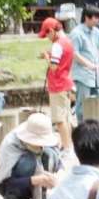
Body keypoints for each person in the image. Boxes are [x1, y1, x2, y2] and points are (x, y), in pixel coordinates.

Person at [0, 113, 61, 199]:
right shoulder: (10, 144)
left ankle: (42, 198)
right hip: (10, 186)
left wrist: (51, 179)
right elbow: (5, 181)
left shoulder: (46, 143)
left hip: (31, 186)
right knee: (29, 161)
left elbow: (57, 162)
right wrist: (35, 180)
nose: (40, 145)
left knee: (49, 155)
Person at [38, 17, 75, 159]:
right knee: (66, 118)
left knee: (59, 120)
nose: (47, 37)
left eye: (47, 34)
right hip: (66, 83)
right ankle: (68, 144)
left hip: (58, 86)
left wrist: (47, 56)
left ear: (52, 31)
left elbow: (53, 67)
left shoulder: (57, 45)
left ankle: (67, 149)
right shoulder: (67, 42)